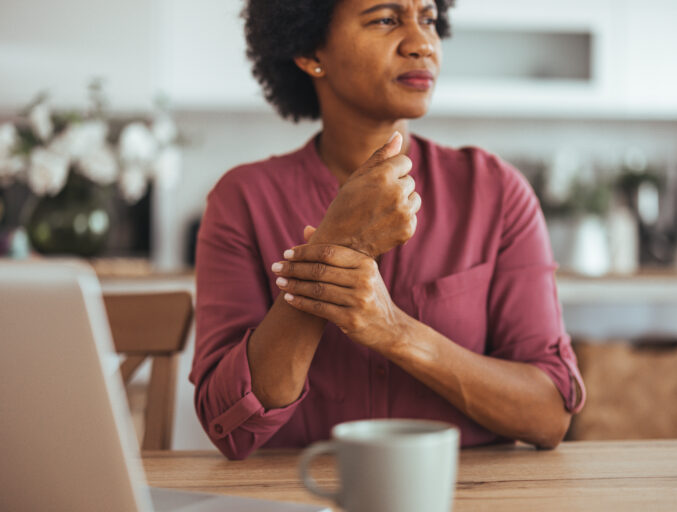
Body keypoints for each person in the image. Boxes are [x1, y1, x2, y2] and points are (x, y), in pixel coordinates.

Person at [191, 0, 585, 461]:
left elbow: (548, 414)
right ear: (308, 49)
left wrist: (394, 330)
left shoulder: (496, 192)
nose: (422, 45)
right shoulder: (242, 200)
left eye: (429, 20)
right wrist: (339, 241)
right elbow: (228, 425)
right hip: (302, 496)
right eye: (385, 19)